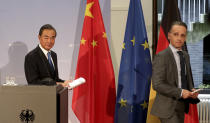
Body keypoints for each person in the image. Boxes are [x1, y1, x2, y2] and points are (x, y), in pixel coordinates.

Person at [151, 21, 199, 123]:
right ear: (169, 35)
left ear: (185, 37)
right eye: (176, 34)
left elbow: (187, 78)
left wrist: (191, 91)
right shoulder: (161, 56)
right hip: (166, 107)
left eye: (182, 35)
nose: (179, 38)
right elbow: (157, 84)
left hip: (182, 104)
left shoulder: (185, 55)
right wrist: (180, 92)